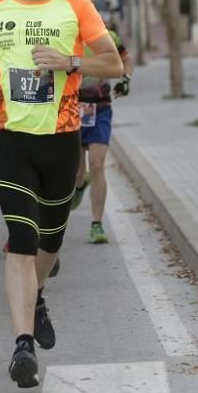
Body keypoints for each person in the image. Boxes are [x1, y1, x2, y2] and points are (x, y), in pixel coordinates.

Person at [0, 0, 123, 388]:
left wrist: (70, 62)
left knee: (49, 246)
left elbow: (113, 64)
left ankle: (37, 297)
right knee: (21, 238)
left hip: (62, 138)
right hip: (9, 136)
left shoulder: (77, 6)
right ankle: (22, 346)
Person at [70, 28, 133, 244]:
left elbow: (126, 59)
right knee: (76, 169)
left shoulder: (108, 37)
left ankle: (96, 223)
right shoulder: (65, 34)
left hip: (100, 108)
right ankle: (79, 183)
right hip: (72, 108)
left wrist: (126, 79)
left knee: (97, 164)